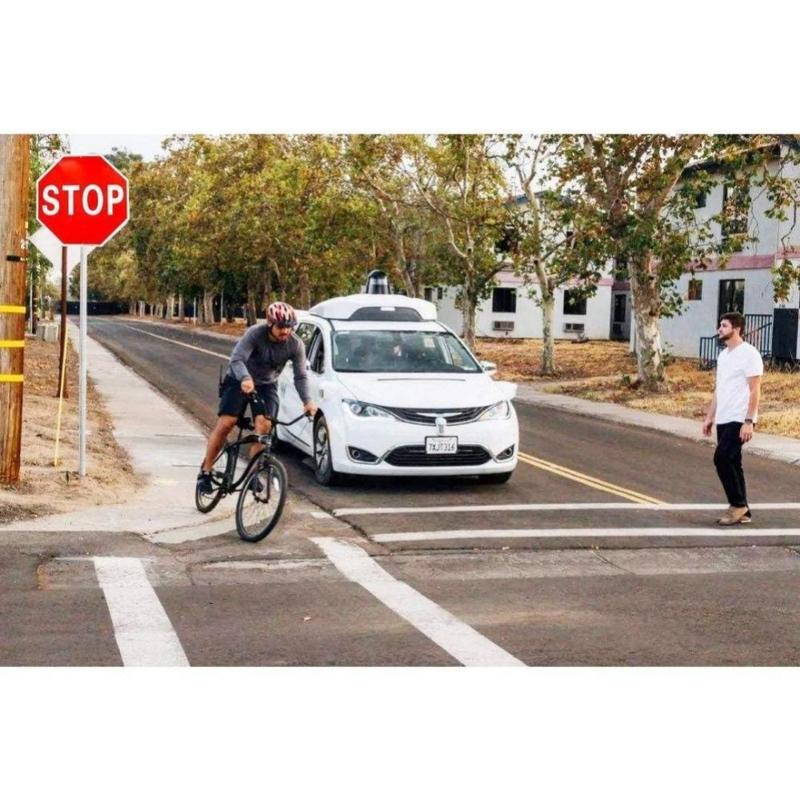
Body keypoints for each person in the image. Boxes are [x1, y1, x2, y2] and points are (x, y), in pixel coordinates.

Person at [197, 302, 317, 493]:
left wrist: (307, 401)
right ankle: (206, 471)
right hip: (239, 379)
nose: (285, 331)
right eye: (281, 327)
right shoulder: (255, 334)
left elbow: (300, 376)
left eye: (289, 327)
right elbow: (237, 359)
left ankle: (253, 474)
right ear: (270, 324)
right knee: (227, 423)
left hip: (267, 385)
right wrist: (245, 378)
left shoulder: (295, 344)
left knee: (264, 427)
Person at [702, 311, 763, 526]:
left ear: (736, 329)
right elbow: (720, 389)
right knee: (733, 462)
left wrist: (749, 421)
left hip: (740, 417)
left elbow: (755, 390)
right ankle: (744, 510)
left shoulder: (750, 354)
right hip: (724, 417)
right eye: (720, 325)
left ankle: (737, 505)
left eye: (724, 325)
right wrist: (710, 417)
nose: (719, 329)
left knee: (722, 458)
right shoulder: (723, 356)